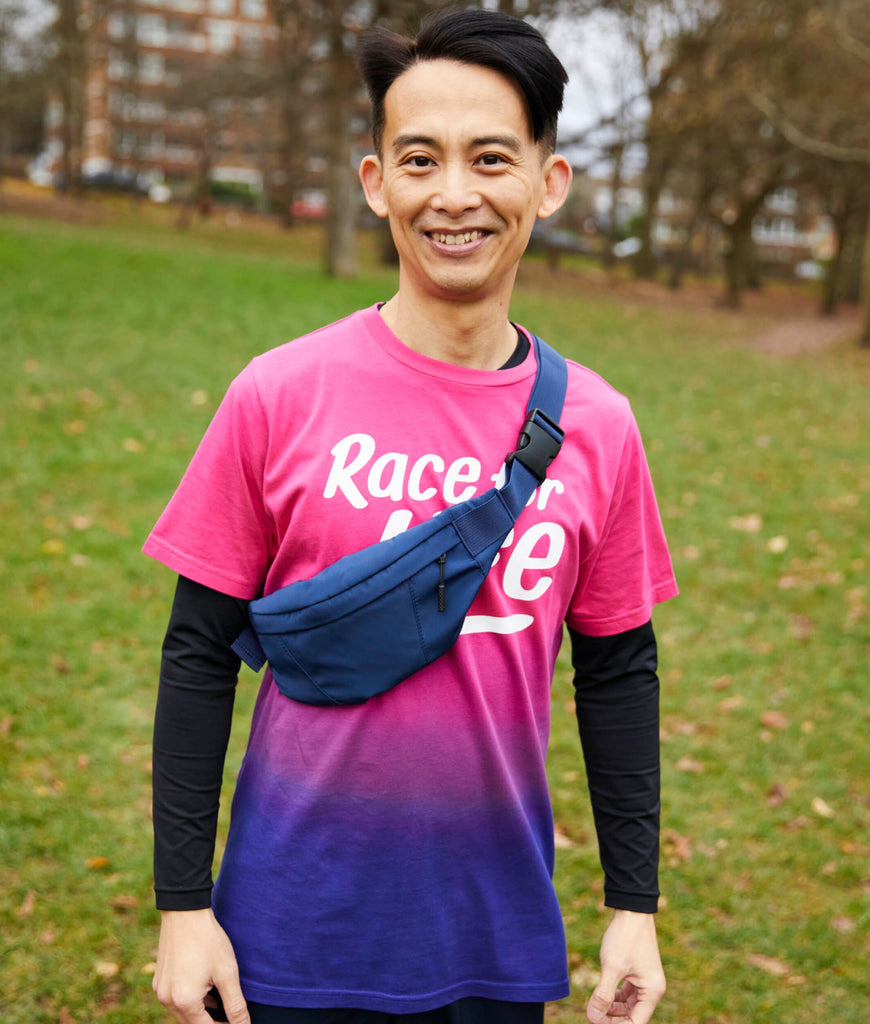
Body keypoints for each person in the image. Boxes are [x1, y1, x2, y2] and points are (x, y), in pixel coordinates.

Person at [144, 8, 678, 1024]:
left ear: (547, 182)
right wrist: (182, 906)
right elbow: (197, 650)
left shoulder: (600, 426)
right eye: (420, 158)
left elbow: (619, 667)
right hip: (281, 941)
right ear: (376, 181)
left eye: (490, 158)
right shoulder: (277, 393)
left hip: (494, 942)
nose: (455, 195)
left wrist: (634, 904)